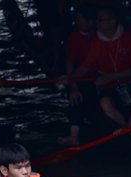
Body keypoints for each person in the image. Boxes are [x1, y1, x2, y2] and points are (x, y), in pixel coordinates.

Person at [68, 5, 131, 130]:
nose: (96, 23)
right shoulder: (96, 43)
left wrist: (111, 76)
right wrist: (70, 78)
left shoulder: (130, 38)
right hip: (111, 86)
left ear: (112, 21)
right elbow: (84, 68)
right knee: (105, 103)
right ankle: (127, 128)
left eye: (99, 20)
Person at [59, 6, 96, 147]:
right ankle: (74, 135)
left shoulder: (99, 35)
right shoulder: (74, 37)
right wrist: (73, 85)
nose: (78, 23)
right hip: (83, 77)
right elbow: (70, 62)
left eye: (81, 20)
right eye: (77, 20)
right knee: (76, 98)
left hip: (99, 76)